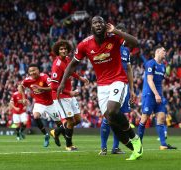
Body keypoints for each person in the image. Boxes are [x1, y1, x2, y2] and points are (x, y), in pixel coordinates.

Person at [57, 16, 142, 160]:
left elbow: (136, 43)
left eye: (100, 22)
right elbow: (72, 64)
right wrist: (62, 83)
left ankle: (135, 138)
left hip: (118, 80)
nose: (98, 24)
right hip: (102, 85)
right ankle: (134, 148)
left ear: (105, 25)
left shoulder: (114, 37)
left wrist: (116, 31)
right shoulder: (84, 45)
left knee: (113, 110)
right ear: (91, 27)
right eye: (95, 23)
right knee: (110, 119)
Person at [99, 23, 135, 155]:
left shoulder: (126, 51)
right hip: (110, 85)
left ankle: (115, 147)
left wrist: (131, 89)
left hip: (123, 87)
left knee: (120, 118)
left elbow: (129, 70)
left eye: (120, 33)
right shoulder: (108, 47)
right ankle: (103, 147)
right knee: (108, 117)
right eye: (116, 32)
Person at [51, 40, 89, 151]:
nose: (64, 50)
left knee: (77, 120)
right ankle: (69, 145)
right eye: (61, 49)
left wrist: (80, 78)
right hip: (60, 96)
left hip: (68, 94)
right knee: (70, 122)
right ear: (57, 51)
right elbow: (53, 86)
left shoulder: (67, 59)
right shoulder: (56, 65)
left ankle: (56, 131)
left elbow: (69, 71)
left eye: (65, 48)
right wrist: (69, 93)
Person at [137, 46, 177, 150]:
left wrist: (161, 94)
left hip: (158, 95)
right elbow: (150, 80)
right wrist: (156, 94)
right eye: (163, 51)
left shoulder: (163, 66)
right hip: (149, 95)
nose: (165, 53)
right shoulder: (150, 63)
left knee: (161, 118)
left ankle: (163, 144)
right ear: (157, 52)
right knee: (144, 118)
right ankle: (138, 144)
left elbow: (160, 83)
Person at [21, 63, 62, 147]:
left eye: (34, 70)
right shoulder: (27, 80)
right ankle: (46, 135)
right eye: (30, 71)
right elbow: (21, 86)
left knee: (60, 124)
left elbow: (53, 87)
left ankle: (56, 135)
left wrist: (41, 88)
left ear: (38, 70)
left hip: (51, 104)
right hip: (39, 103)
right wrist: (24, 97)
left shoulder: (44, 77)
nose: (32, 72)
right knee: (35, 116)